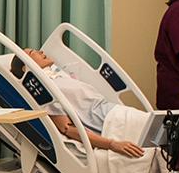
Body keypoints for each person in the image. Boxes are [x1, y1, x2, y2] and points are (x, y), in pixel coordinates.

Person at [10, 49, 145, 158]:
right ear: (25, 67)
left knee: (161, 130)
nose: (42, 52)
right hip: (108, 121)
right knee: (161, 133)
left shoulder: (58, 77)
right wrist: (111, 144)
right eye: (34, 52)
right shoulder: (44, 92)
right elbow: (68, 129)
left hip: (116, 111)